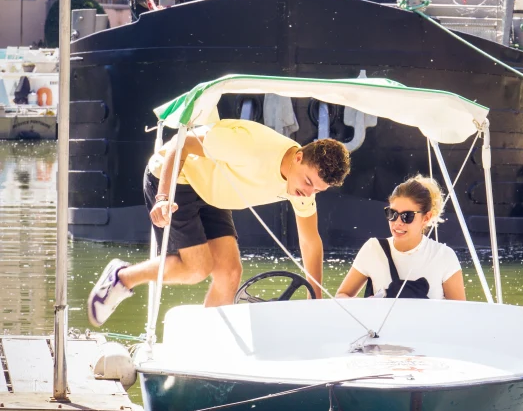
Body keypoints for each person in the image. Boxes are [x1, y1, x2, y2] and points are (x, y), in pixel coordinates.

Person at [87, 118, 351, 326]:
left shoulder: (302, 188)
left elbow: (309, 240)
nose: (308, 192)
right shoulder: (249, 147)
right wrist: (163, 196)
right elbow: (180, 143)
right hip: (178, 178)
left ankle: (205, 344)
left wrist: (314, 298)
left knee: (230, 273)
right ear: (298, 157)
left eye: (318, 190)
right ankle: (121, 277)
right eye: (307, 182)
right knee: (197, 268)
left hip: (215, 190)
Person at [336, 176, 465, 301]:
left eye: (407, 216)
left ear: (426, 218)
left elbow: (460, 314)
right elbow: (342, 296)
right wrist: (366, 304)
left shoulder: (444, 256)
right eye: (392, 214)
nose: (397, 222)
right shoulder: (373, 249)